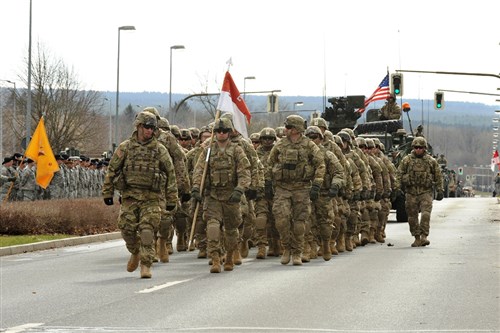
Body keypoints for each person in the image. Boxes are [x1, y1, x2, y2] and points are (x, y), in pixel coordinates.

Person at [102, 111, 178, 278]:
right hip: (130, 196)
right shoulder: (125, 147)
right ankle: (135, 251)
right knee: (127, 229)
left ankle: (146, 264)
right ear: (138, 126)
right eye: (147, 127)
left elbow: (171, 173)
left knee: (147, 230)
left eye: (153, 128)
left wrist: (172, 199)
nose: (150, 131)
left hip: (152, 198)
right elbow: (112, 170)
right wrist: (107, 192)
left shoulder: (160, 150)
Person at [191, 117, 251, 273]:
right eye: (218, 131)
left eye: (224, 131)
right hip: (213, 196)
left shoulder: (237, 150)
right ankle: (216, 258)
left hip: (231, 196)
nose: (221, 134)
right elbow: (199, 170)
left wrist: (240, 189)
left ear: (229, 132)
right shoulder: (208, 150)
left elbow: (245, 172)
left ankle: (230, 255)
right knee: (212, 227)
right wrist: (196, 188)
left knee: (231, 230)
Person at [266, 115, 325, 265]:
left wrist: (317, 184)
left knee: (300, 222)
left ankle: (297, 251)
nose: (285, 130)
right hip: (283, 188)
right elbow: (269, 164)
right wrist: (267, 183)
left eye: (288, 127)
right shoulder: (280, 145)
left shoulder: (309, 145)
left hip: (302, 188)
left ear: (296, 129)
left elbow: (320, 165)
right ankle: (286, 248)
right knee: (281, 219)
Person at [395, 137, 443, 247]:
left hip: (425, 191)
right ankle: (416, 237)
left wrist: (440, 190)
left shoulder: (431, 161)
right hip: (411, 192)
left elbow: (438, 176)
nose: (418, 150)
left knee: (426, 214)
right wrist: (397, 188)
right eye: (416, 147)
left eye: (420, 147)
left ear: (425, 148)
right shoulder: (406, 160)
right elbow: (399, 174)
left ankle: (424, 236)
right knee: (412, 217)